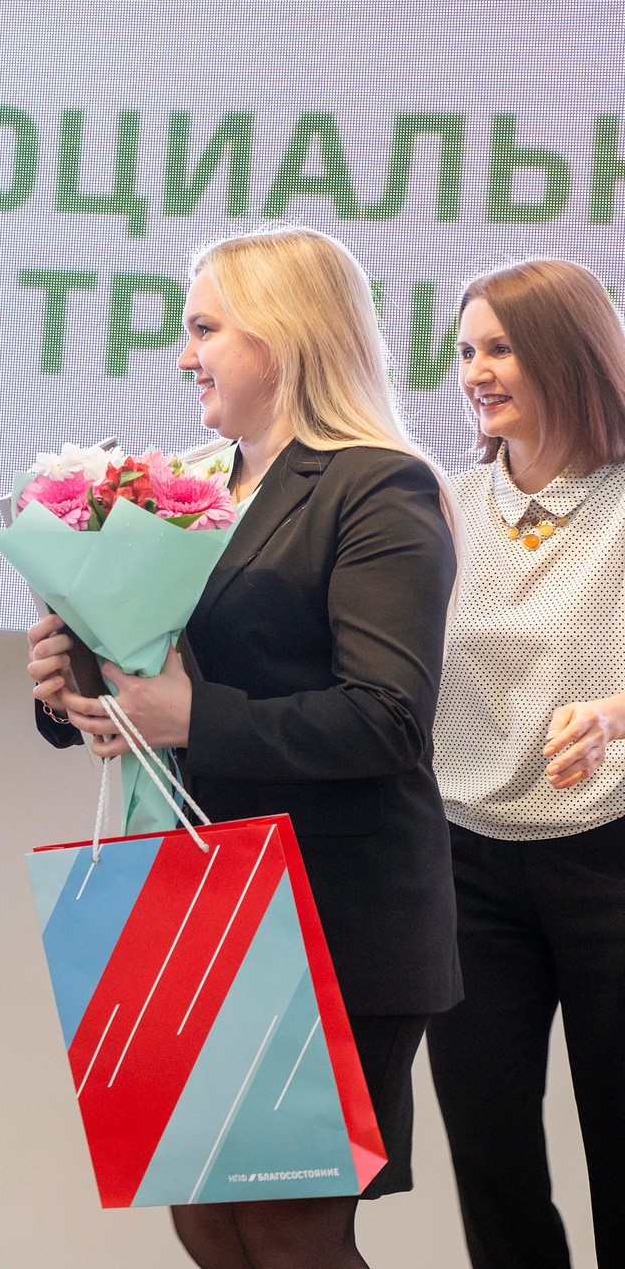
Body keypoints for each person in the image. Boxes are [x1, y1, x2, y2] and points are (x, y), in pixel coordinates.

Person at [25, 224, 458, 1269]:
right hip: (193, 898)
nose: (184, 356)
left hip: (329, 913)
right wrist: (72, 687)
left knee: (290, 1229)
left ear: (286, 334)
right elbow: (162, 673)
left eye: (206, 328)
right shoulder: (192, 486)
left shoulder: (377, 487)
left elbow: (388, 717)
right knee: (207, 1222)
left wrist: (191, 716)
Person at [424, 257, 625, 1269]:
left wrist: (614, 715)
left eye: (499, 347)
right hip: (464, 867)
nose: (475, 372)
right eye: (466, 350)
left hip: (608, 857)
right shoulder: (442, 505)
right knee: (490, 1158)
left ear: (567, 352)